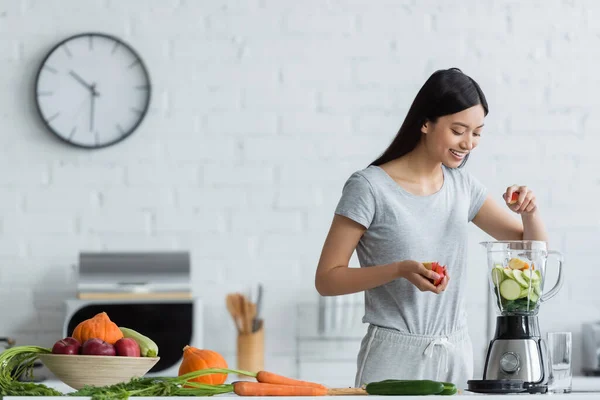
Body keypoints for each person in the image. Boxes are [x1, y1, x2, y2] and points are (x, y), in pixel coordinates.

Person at [314, 68, 548, 390]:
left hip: (456, 354)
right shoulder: (369, 187)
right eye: (458, 130)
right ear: (425, 123)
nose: (468, 143)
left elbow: (531, 252)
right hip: (392, 359)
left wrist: (530, 213)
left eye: (477, 132)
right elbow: (327, 279)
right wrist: (399, 270)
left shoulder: (462, 186)